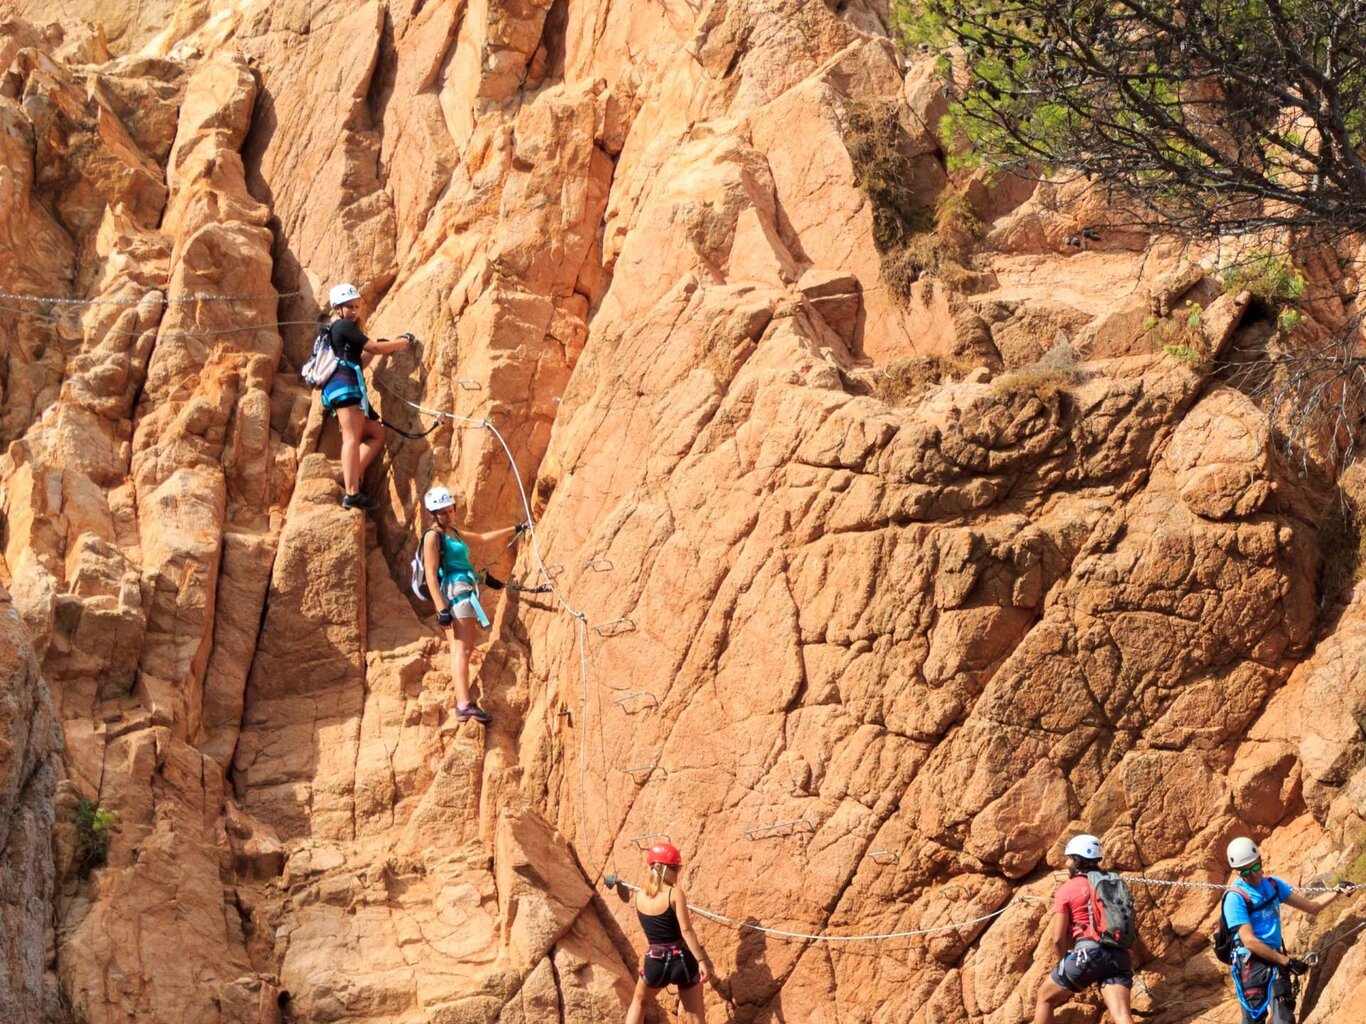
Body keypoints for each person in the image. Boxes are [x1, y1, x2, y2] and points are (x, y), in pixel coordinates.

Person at [1222, 836, 1354, 1024]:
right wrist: (1286, 962)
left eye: (1255, 867)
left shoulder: (1273, 885)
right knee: (1254, 1019)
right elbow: (1249, 941)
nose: (1253, 874)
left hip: (1275, 960)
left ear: (1260, 860)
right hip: (1251, 965)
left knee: (1283, 1017)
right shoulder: (1235, 898)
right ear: (1237, 872)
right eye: (1245, 872)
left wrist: (1337, 891)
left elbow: (1312, 907)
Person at [420, 485, 524, 723]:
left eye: (450, 510)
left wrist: (515, 529)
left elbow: (482, 538)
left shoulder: (453, 532)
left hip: (463, 590)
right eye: (442, 512)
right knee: (463, 650)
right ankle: (464, 705)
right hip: (456, 594)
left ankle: (463, 703)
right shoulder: (432, 537)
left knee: (460, 650)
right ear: (433, 514)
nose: (448, 515)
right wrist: (440, 609)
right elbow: (430, 574)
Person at [319, 282, 412, 510]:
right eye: (349, 306)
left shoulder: (339, 330)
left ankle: (352, 473)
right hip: (345, 386)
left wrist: (380, 348)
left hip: (344, 385)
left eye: (357, 306)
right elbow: (374, 349)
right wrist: (403, 341)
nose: (354, 311)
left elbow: (359, 360)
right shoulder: (342, 326)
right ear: (338, 308)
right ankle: (352, 492)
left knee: (376, 433)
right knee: (351, 437)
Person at [1032, 834, 1135, 1024]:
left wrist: (1064, 962)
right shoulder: (1111, 883)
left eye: (1069, 858)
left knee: (1044, 997)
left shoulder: (1068, 889)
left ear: (1078, 860)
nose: (1066, 863)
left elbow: (1057, 937)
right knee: (1122, 1015)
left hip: (1087, 954)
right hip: (1119, 956)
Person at [625, 842, 709, 1024]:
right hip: (682, 961)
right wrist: (701, 961)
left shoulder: (639, 896)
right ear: (661, 868)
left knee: (638, 1002)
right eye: (674, 868)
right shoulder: (674, 894)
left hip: (655, 962)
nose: (677, 873)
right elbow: (686, 930)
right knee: (695, 1014)